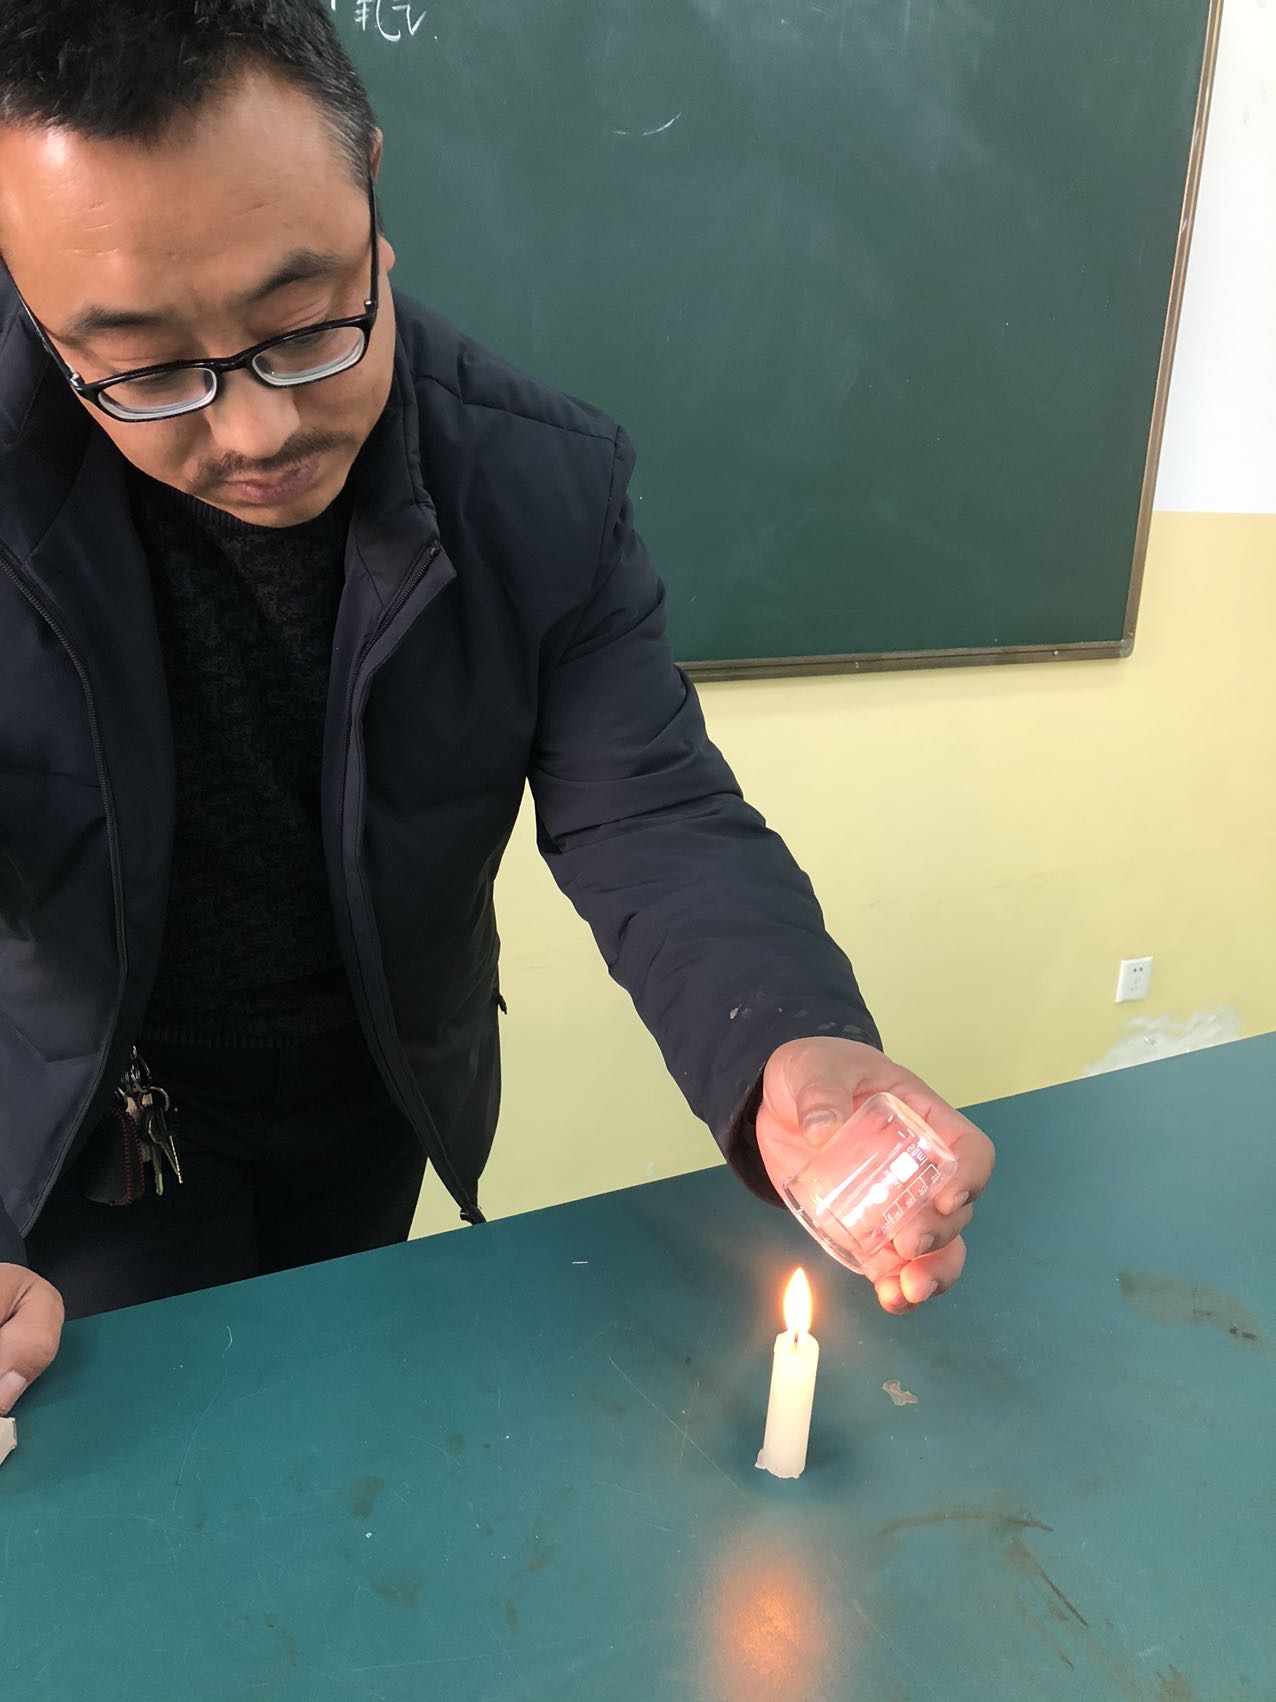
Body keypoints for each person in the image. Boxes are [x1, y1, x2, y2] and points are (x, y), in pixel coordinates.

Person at [0, 0, 994, 1419]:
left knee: (347, 1433)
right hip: (71, 1125)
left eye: (303, 326)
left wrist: (789, 1037)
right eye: (146, 369)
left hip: (371, 1092)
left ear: (372, 197)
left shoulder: (539, 482)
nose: (256, 431)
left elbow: (650, 809)